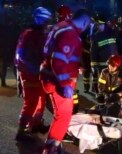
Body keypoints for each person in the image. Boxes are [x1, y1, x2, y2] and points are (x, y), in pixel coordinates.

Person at [40, 9, 91, 153]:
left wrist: (77, 66)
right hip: (57, 80)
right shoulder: (70, 33)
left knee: (61, 115)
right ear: (85, 21)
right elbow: (58, 61)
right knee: (63, 115)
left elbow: (62, 55)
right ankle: (51, 149)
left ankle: (54, 144)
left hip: (50, 76)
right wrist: (64, 84)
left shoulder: (62, 26)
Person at [15, 7, 52, 141]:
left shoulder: (40, 33)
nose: (47, 22)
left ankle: (35, 125)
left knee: (40, 102)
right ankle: (21, 130)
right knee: (31, 103)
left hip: (39, 74)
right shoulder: (29, 34)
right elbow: (22, 56)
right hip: (30, 74)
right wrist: (35, 69)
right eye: (46, 19)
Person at [90, 14, 122, 96]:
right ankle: (108, 96)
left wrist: (93, 64)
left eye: (98, 25)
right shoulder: (112, 32)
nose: (97, 26)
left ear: (100, 24)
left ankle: (105, 96)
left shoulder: (97, 36)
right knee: (109, 80)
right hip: (112, 63)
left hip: (105, 63)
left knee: (105, 80)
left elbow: (93, 51)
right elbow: (120, 44)